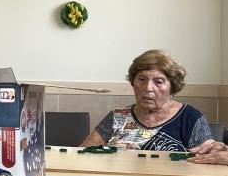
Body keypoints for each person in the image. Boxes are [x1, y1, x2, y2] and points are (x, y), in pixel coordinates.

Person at [80, 49, 212, 152]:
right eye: (142, 79)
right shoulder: (117, 116)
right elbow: (83, 152)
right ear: (133, 83)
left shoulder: (190, 117)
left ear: (172, 87)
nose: (148, 88)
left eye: (158, 81)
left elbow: (209, 158)